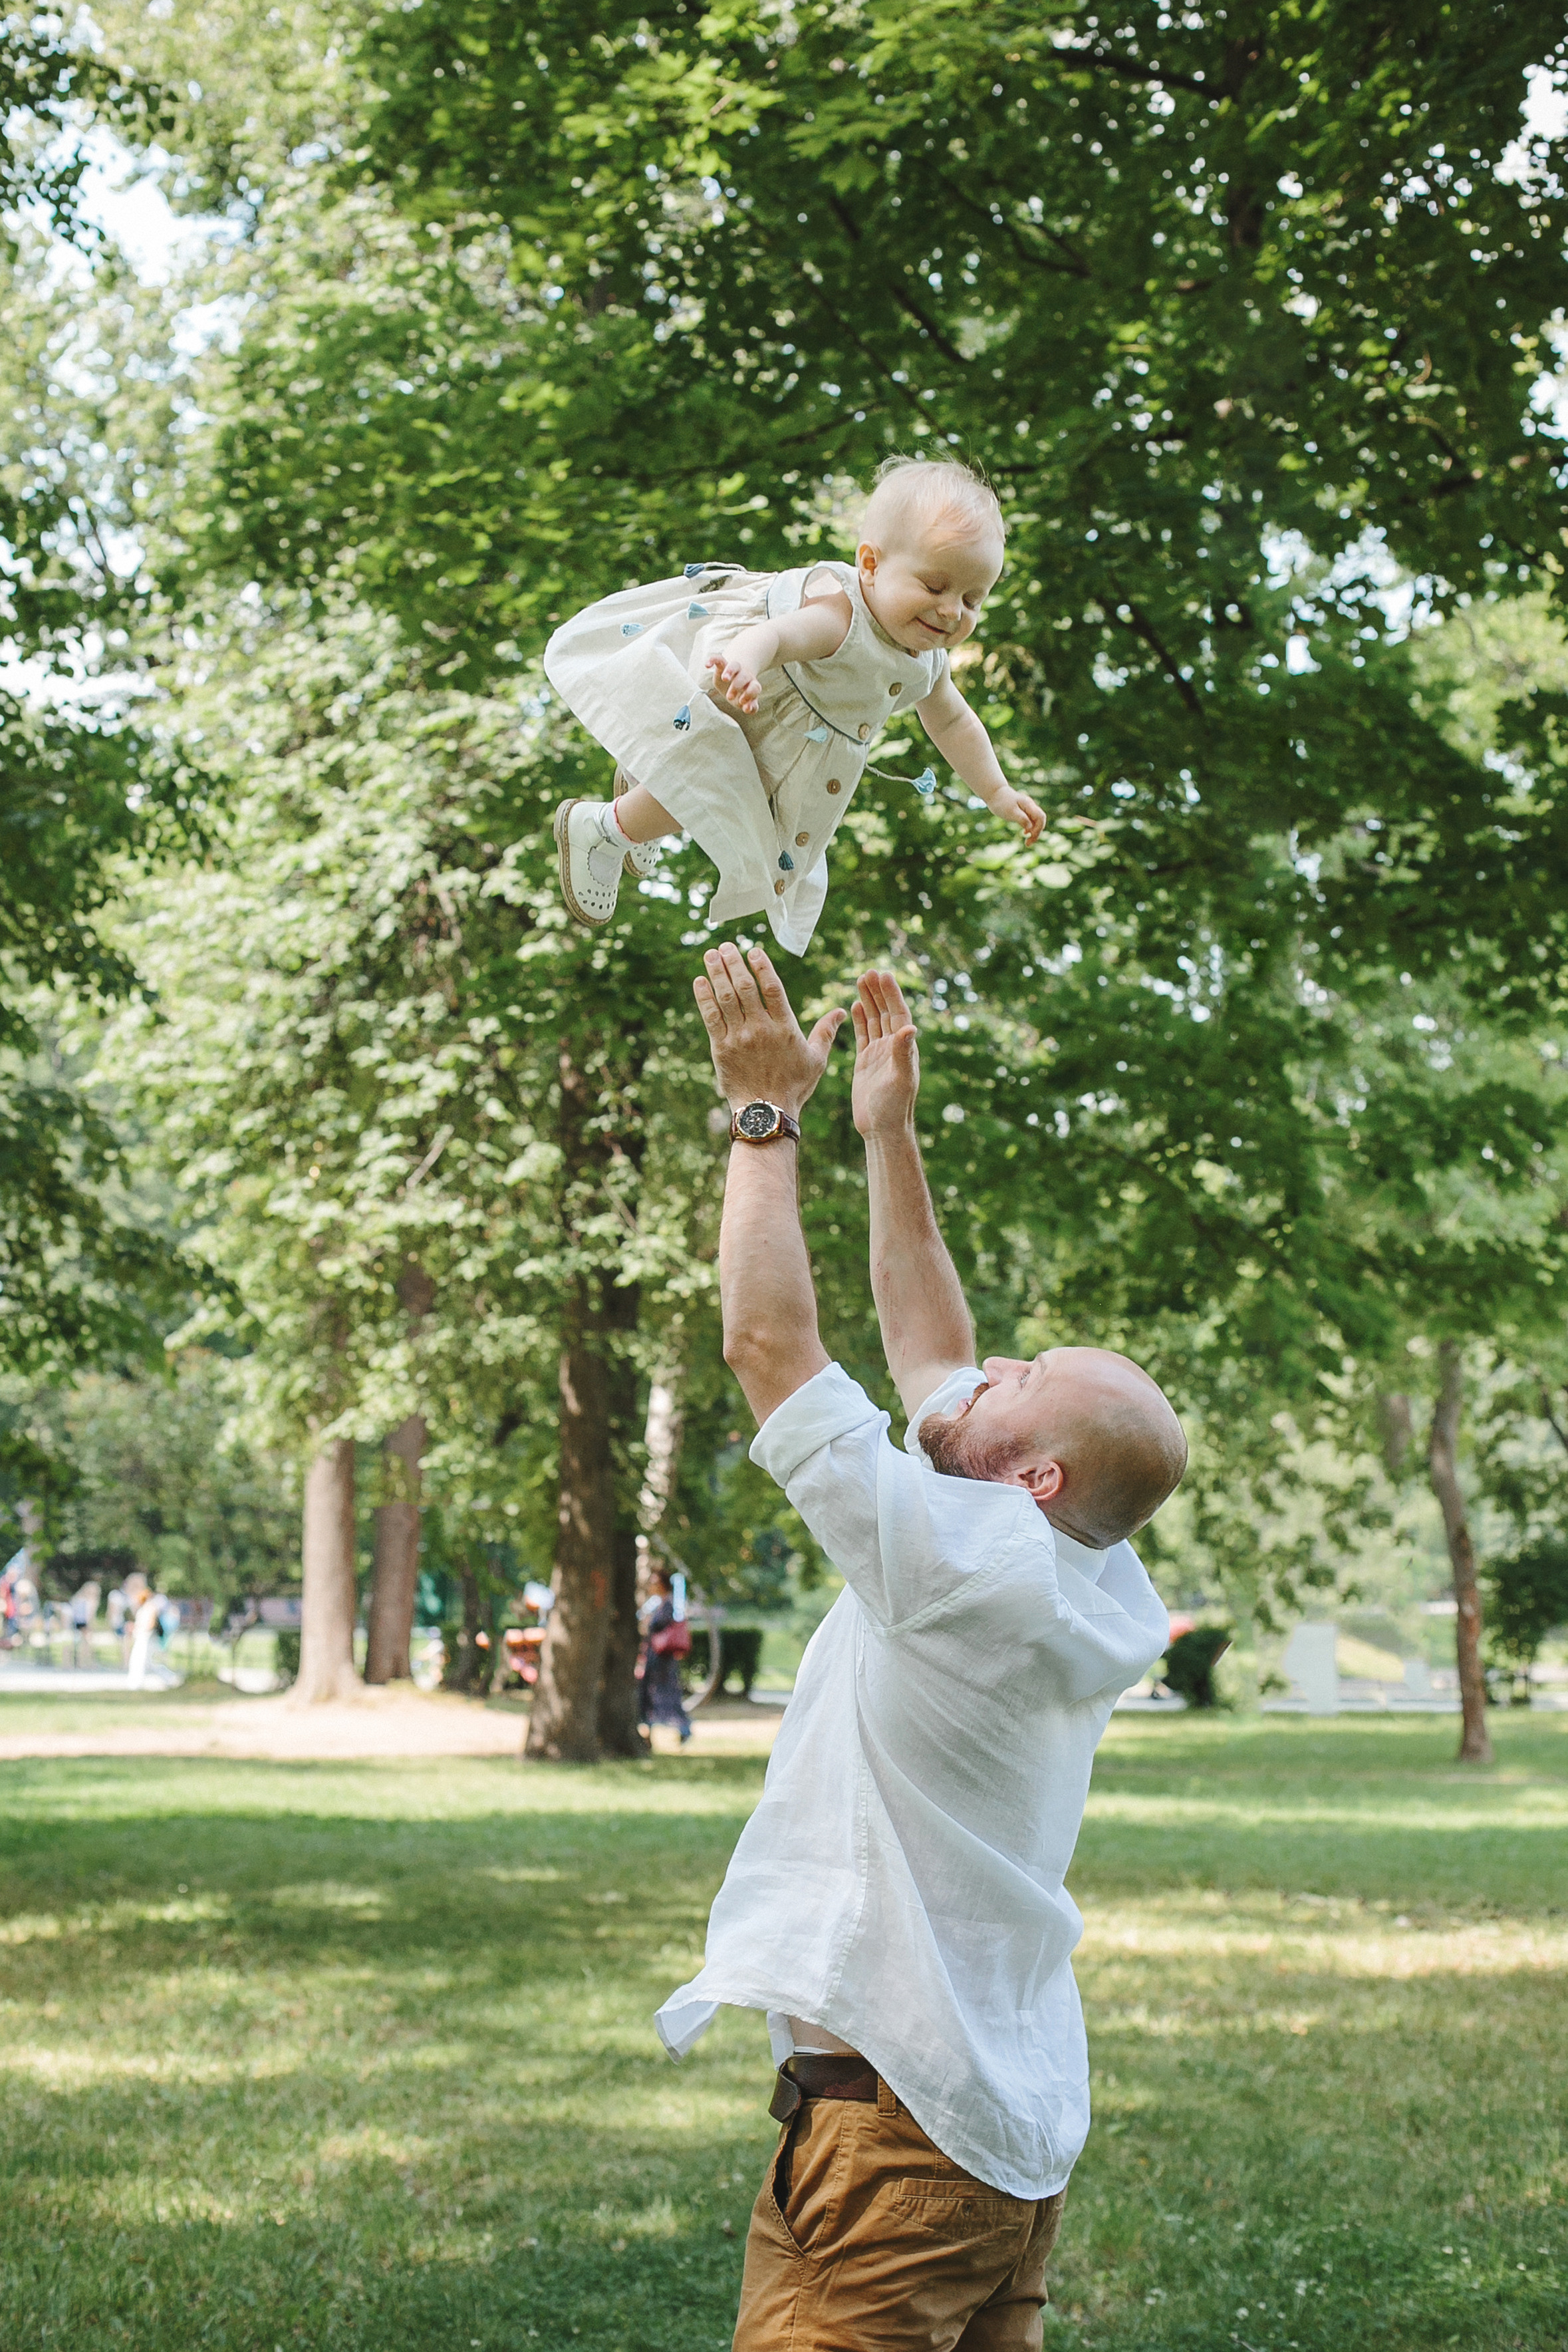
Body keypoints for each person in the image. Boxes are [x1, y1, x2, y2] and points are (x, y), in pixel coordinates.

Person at [660, 943, 1185, 2352]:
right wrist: (888, 1136)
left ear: (1034, 1482)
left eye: (1018, 1384)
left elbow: (771, 1343)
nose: (986, 1373)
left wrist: (763, 1118)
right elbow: (930, 1343)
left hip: (896, 2147)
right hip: (1000, 2136)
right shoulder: (1082, 1566)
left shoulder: (967, 1563)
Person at [546, 457, 1047, 952]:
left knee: (724, 793)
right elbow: (779, 635)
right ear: (870, 565)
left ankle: (644, 788)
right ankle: (603, 829)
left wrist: (996, 790)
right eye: (936, 586)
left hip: (797, 745)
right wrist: (744, 660)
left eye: (972, 600)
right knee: (714, 785)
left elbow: (954, 721)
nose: (951, 610)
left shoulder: (928, 662)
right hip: (754, 702)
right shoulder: (842, 617)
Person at [638, 1568, 692, 1747]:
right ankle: (648, 1733)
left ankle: (683, 1729)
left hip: (663, 1660)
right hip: (655, 1659)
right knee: (651, 1696)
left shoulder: (667, 1605)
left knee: (666, 1695)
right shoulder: (658, 1604)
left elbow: (659, 1628)